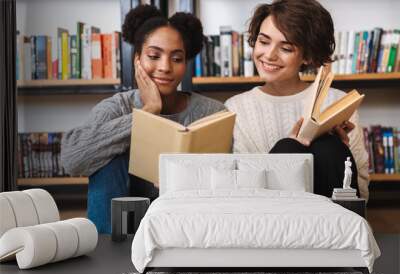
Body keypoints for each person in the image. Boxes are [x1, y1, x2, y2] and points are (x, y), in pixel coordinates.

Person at [61, 5, 225, 233]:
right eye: (154, 56)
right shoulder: (117, 107)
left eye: (176, 59)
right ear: (137, 59)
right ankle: (109, 254)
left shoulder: (212, 111)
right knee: (107, 153)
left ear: (185, 64)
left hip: (187, 222)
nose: (165, 67)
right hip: (122, 225)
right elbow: (72, 160)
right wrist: (148, 112)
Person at [225, 0, 369, 199]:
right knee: (288, 148)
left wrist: (340, 154)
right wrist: (286, 153)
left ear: (307, 56)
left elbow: (361, 185)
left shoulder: (337, 101)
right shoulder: (235, 108)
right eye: (264, 42)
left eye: (286, 48)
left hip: (333, 221)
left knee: (329, 147)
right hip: (268, 218)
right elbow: (238, 189)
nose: (269, 55)